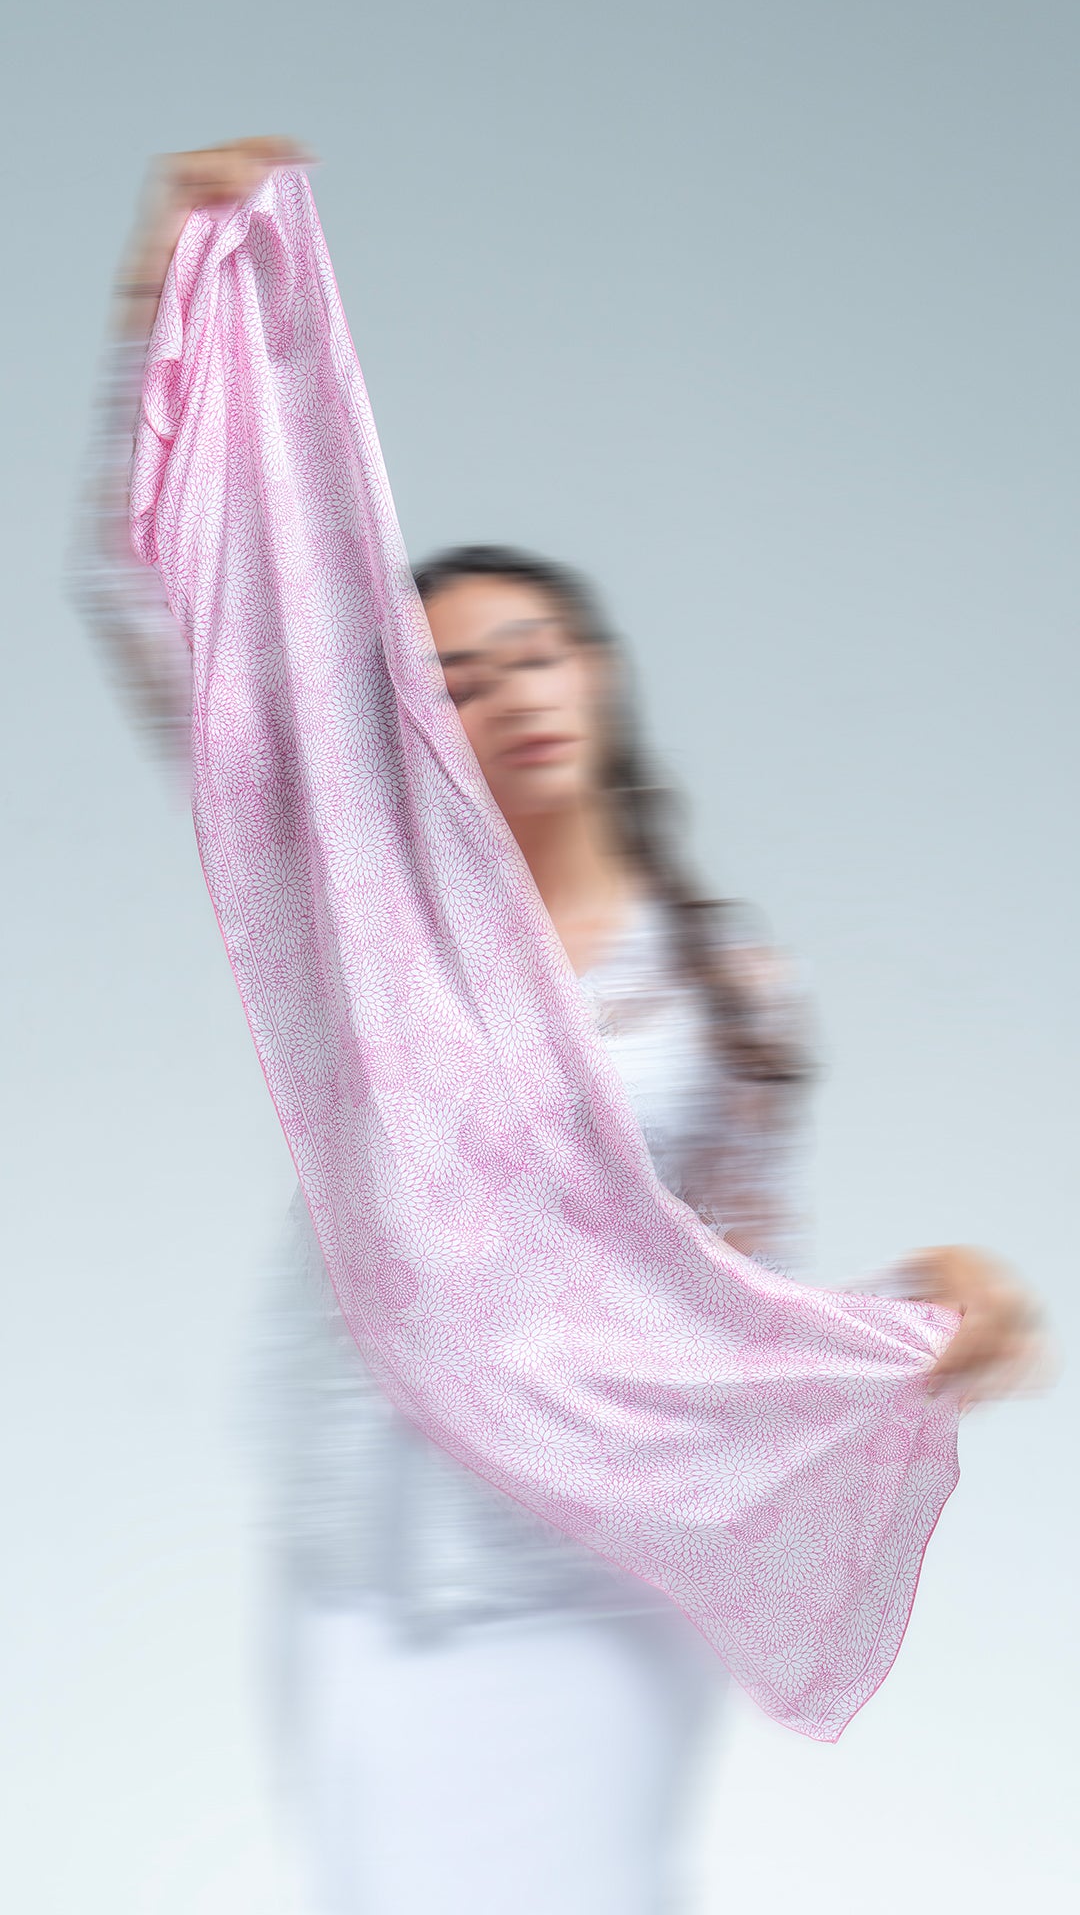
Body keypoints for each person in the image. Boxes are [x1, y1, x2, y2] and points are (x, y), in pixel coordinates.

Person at [71, 138, 1039, 1915]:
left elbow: (717, 1290)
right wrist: (164, 277)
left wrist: (921, 1320)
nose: (503, 686)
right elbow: (161, 603)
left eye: (535, 649)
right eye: (450, 674)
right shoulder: (362, 935)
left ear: (598, 681)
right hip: (365, 1540)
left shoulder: (726, 983)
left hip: (583, 1564)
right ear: (407, 745)